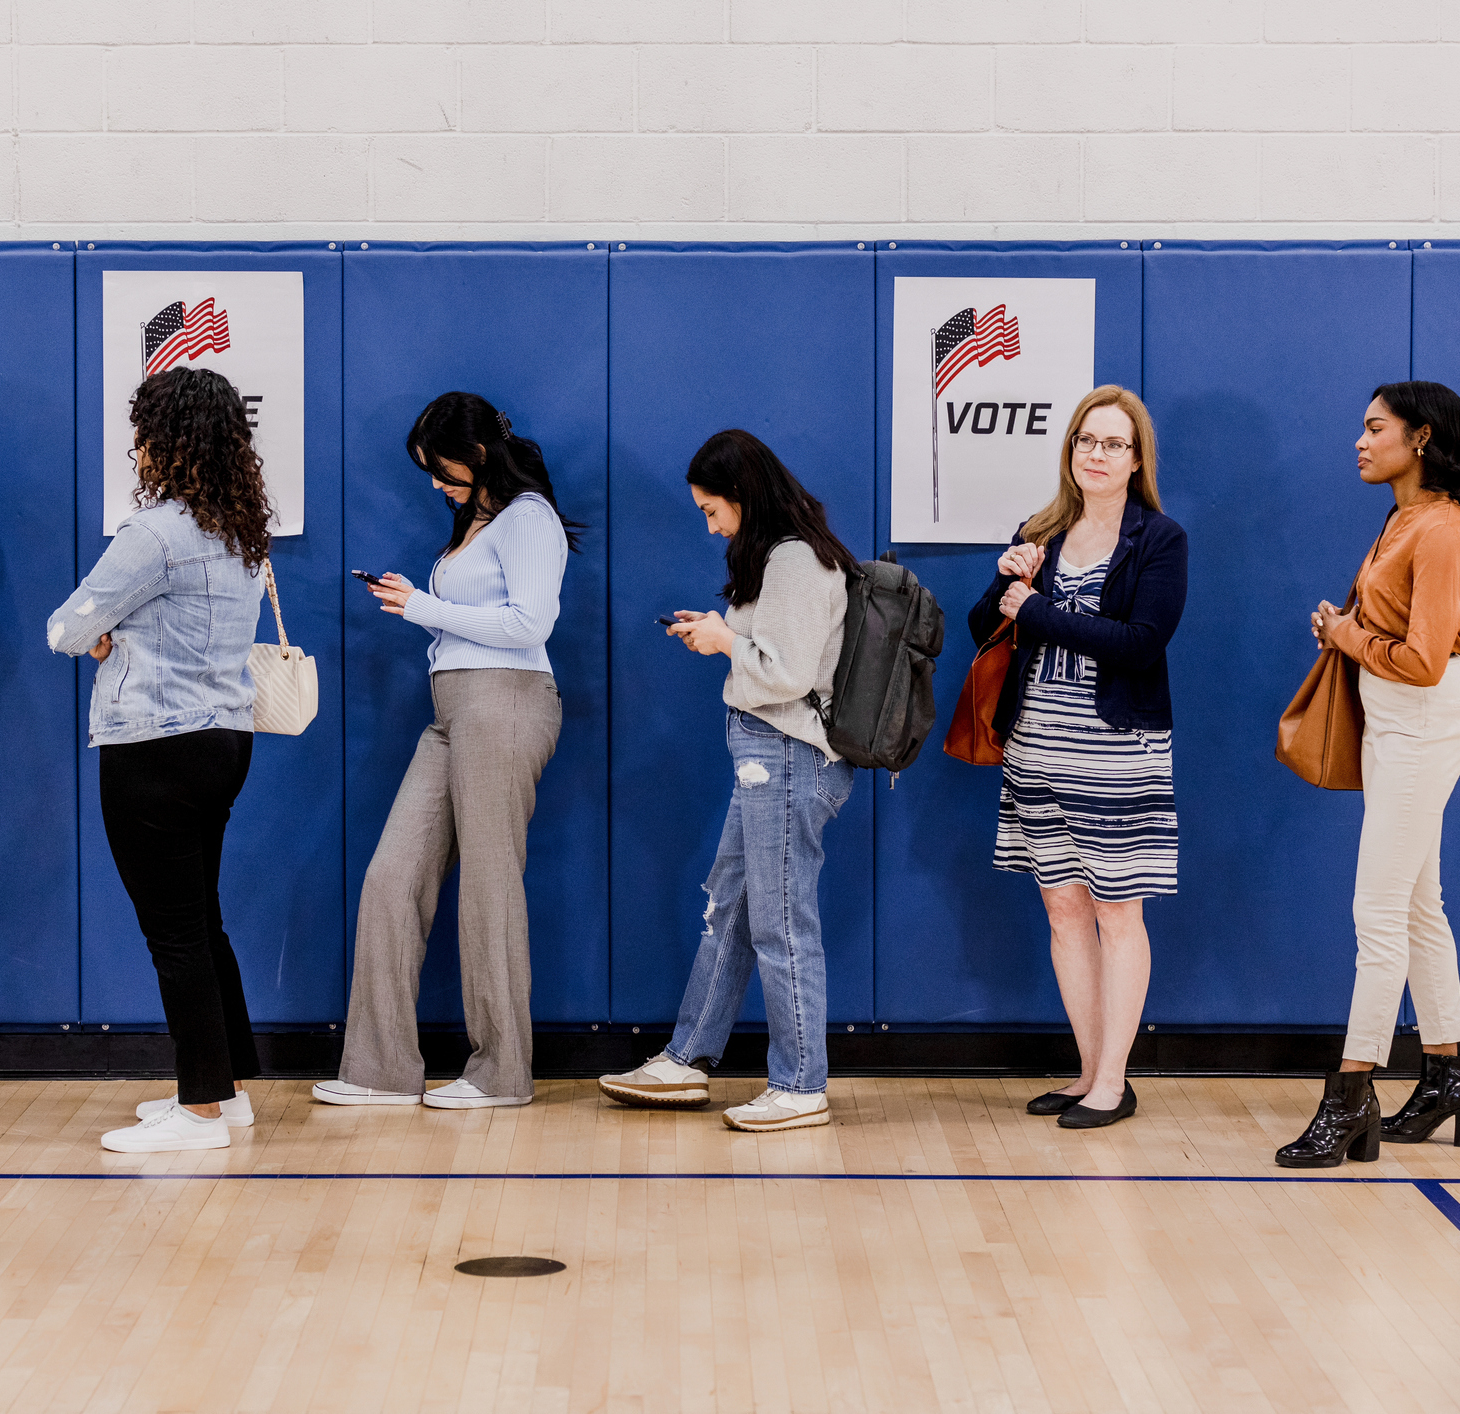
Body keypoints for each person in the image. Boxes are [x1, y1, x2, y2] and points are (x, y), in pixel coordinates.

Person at [314, 392, 580, 1111]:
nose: (435, 483)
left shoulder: (528, 519)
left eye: (441, 468)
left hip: (506, 701)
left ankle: (501, 1074)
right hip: (455, 707)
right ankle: (379, 1070)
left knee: (490, 885)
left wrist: (420, 606)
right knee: (391, 876)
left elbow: (531, 622)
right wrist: (423, 609)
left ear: (479, 455)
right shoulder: (478, 520)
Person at [598, 429, 855, 1133]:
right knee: (731, 912)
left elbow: (785, 672)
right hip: (767, 757)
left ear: (742, 495)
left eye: (712, 510)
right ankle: (687, 1058)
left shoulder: (798, 560)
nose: (709, 524)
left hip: (787, 757)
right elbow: (771, 653)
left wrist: (722, 640)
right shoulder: (780, 557)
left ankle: (800, 1084)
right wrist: (720, 632)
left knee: (779, 923)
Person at [47, 367, 273, 1153]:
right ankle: (228, 1088)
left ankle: (201, 1110)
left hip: (152, 745)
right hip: (224, 740)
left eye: (143, 434)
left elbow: (67, 628)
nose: (137, 450)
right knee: (201, 921)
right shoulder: (240, 531)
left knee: (173, 931)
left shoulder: (154, 535)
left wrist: (103, 634)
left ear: (166, 443)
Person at [1277, 381, 1460, 1169]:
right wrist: (1350, 629)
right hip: (1397, 724)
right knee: (1415, 905)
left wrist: (1345, 634)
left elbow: (1426, 661)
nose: (1360, 442)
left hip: (1422, 723)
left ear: (1421, 437)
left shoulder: (1437, 530)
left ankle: (1349, 1096)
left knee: (1375, 913)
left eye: (1374, 429)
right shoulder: (1402, 520)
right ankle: (1449, 1074)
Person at [972, 385, 1186, 1132]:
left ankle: (1114, 1081)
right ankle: (1091, 1070)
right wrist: (1007, 578)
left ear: (1135, 460)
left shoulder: (1157, 539)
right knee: (1063, 913)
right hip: (1035, 748)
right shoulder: (1042, 529)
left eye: (1113, 445)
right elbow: (984, 628)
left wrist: (1037, 610)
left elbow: (1141, 642)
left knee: (1115, 914)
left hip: (1114, 752)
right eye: (1085, 441)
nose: (1096, 455)